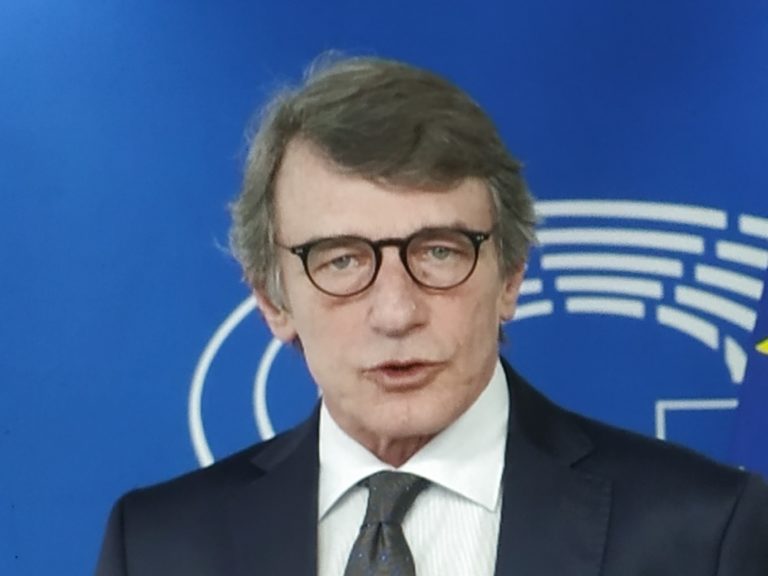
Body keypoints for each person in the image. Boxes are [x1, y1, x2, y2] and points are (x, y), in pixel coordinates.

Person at [96, 55, 768, 576]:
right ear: (273, 302)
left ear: (510, 275)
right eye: (341, 261)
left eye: (440, 252)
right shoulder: (158, 546)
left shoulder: (701, 531)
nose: (396, 313)